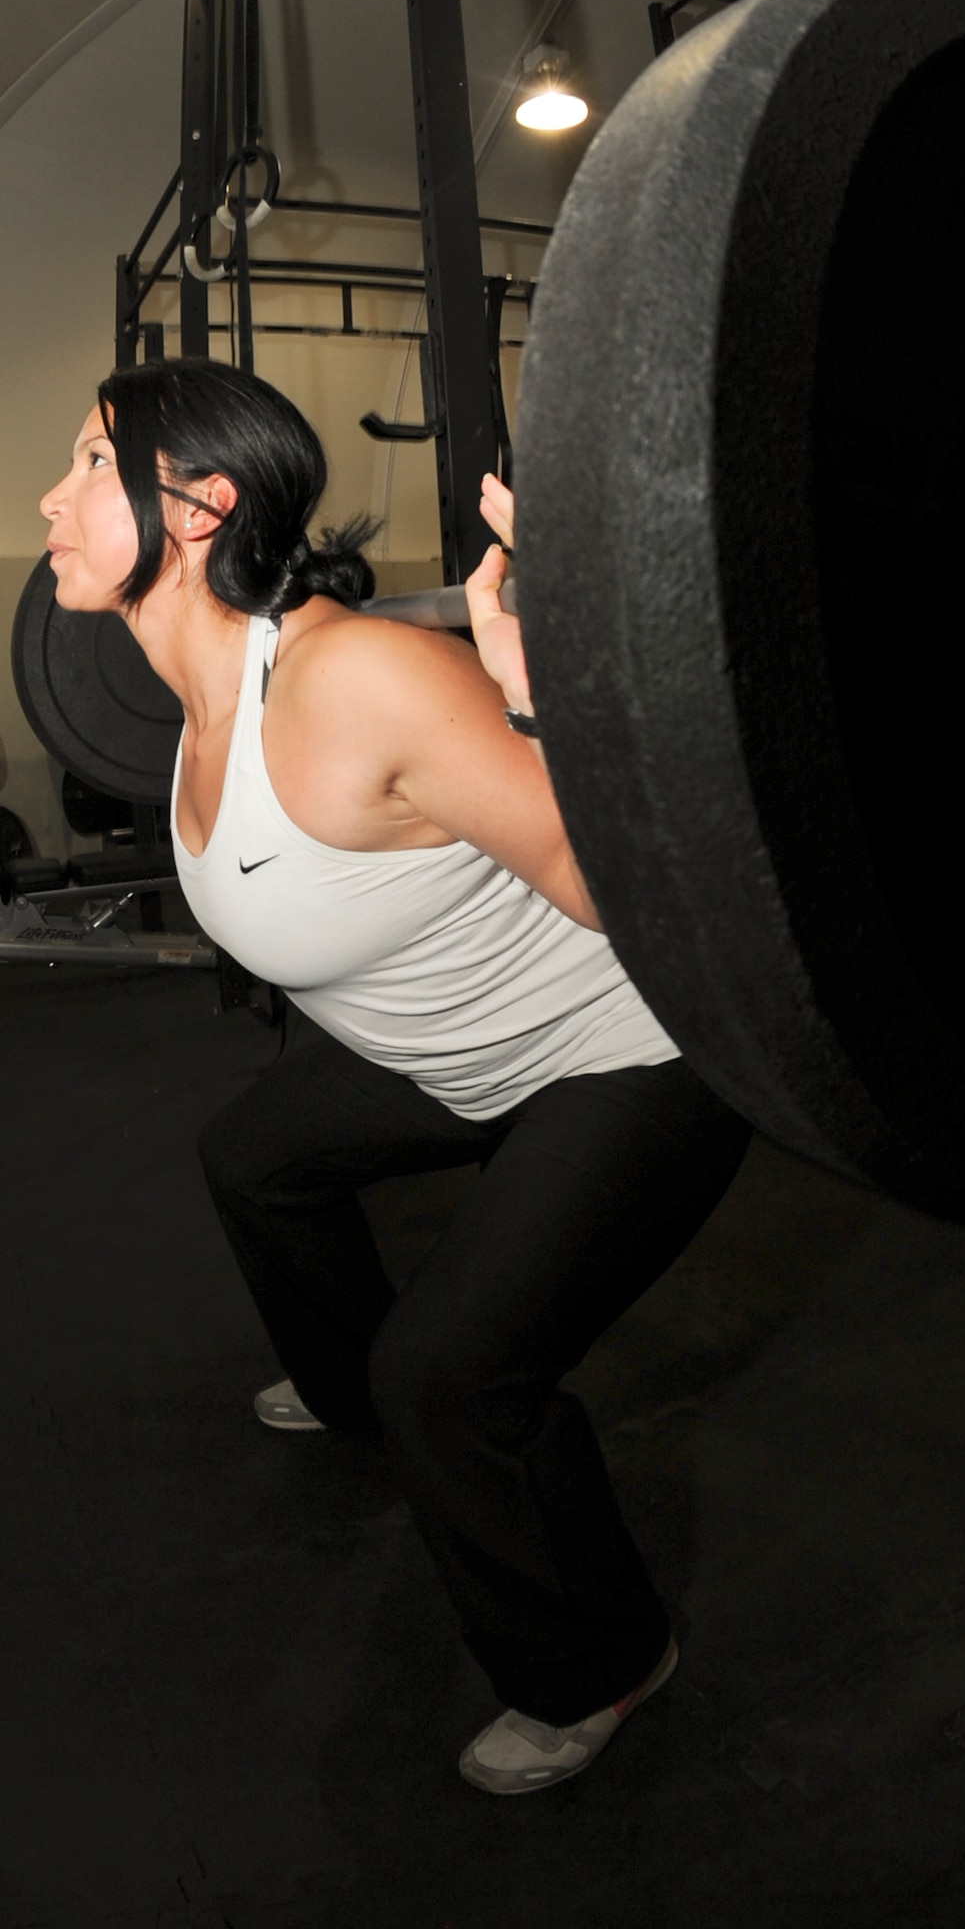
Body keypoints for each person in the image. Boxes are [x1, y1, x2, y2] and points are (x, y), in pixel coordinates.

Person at [39, 358, 751, 1795]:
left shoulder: (353, 679)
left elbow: (643, 891)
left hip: (621, 1056)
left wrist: (543, 698)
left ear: (195, 506)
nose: (50, 499)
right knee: (252, 1155)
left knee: (451, 1375)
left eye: (83, 464)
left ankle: (598, 1662)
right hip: (442, 1054)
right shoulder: (188, 695)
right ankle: (352, 1391)